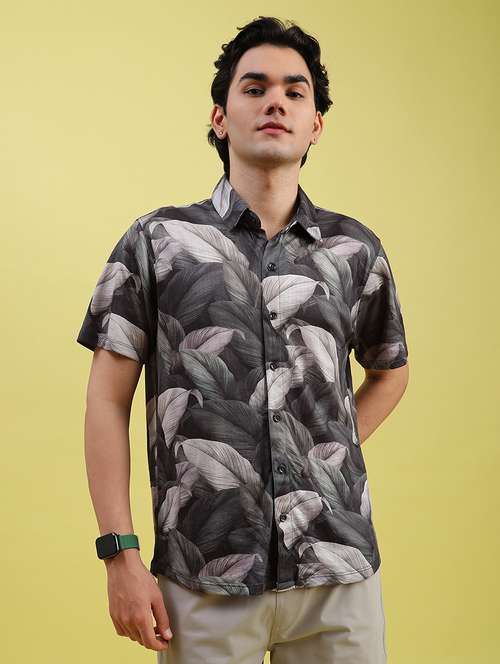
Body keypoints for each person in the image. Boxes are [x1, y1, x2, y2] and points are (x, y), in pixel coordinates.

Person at [76, 15, 409, 664]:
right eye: (254, 88)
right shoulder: (158, 242)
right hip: (203, 573)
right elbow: (106, 400)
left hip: (339, 571)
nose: (275, 101)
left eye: (294, 91)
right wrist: (120, 556)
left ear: (316, 124)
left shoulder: (354, 250)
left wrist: (314, 457)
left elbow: (390, 369)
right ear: (221, 118)